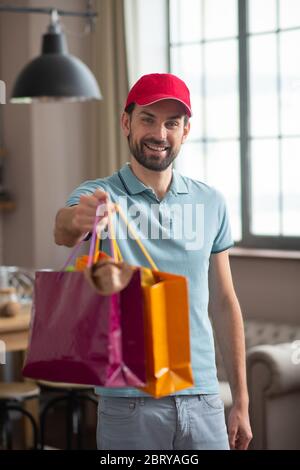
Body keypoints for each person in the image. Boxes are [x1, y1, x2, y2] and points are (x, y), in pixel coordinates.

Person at [54, 73, 252, 450]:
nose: (159, 133)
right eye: (148, 119)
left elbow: (225, 302)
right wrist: (77, 220)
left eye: (171, 123)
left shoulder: (211, 202)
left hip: (204, 399)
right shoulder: (100, 195)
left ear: (185, 130)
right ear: (126, 122)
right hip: (129, 404)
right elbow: (63, 229)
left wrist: (241, 400)